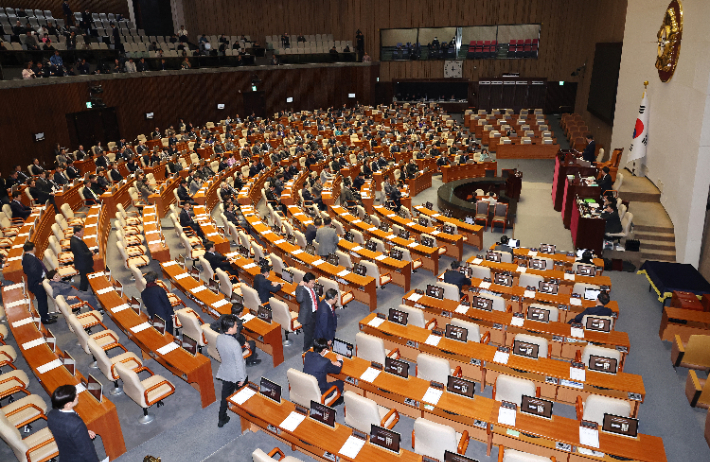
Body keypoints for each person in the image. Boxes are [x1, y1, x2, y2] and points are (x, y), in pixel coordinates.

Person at [47, 385, 100, 462]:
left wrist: (82, 434)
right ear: (68, 404)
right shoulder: (76, 424)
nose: (78, 396)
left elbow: (63, 430)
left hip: (66, 455)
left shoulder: (51, 414)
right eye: (75, 396)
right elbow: (87, 451)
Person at [216, 315, 248, 428]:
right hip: (236, 374)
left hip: (225, 371)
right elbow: (239, 363)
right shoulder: (235, 344)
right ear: (229, 329)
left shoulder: (219, 338)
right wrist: (242, 378)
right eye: (235, 326)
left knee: (225, 396)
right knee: (244, 394)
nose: (237, 326)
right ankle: (247, 416)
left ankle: (222, 418)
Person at [22, 242, 56, 324]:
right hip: (37, 284)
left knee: (43, 300)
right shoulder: (30, 258)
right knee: (42, 300)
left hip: (34, 282)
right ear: (33, 248)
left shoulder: (26, 257)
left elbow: (26, 271)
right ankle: (44, 318)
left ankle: (46, 315)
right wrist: (39, 281)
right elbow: (33, 271)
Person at [296, 272, 319, 352]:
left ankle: (313, 345)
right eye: (312, 283)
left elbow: (315, 299)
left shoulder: (311, 288)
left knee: (315, 331)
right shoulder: (301, 289)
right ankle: (305, 350)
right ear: (305, 283)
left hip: (315, 313)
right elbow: (299, 299)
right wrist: (300, 287)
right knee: (308, 335)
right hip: (307, 316)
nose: (314, 285)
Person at [70, 226, 95, 292]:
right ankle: (82, 292)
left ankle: (92, 288)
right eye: (82, 232)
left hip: (82, 262)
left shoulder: (75, 238)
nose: (83, 233)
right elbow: (83, 254)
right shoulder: (76, 242)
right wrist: (91, 253)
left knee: (90, 275)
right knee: (84, 279)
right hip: (83, 263)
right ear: (77, 232)